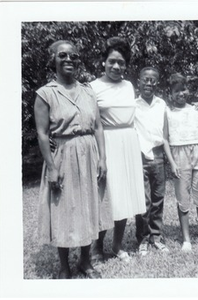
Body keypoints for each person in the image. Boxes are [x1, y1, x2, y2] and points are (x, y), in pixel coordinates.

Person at [34, 40, 112, 279]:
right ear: (53, 60)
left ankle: (85, 261)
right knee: (65, 209)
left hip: (89, 154)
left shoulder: (88, 90)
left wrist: (102, 159)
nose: (69, 59)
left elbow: (98, 126)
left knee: (89, 205)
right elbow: (42, 133)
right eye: (63, 55)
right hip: (64, 154)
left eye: (74, 56)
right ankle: (64, 265)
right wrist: (52, 167)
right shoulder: (46, 93)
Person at [89, 37, 146, 263]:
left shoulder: (129, 86)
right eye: (112, 61)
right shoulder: (93, 87)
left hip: (128, 142)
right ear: (103, 61)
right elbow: (95, 123)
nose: (116, 67)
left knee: (126, 196)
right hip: (106, 143)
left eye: (121, 63)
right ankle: (97, 247)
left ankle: (117, 244)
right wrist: (100, 156)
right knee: (106, 197)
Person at [165, 73, 198, 252]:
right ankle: (186, 240)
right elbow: (165, 139)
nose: (181, 93)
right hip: (179, 155)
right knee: (183, 198)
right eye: (177, 91)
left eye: (184, 89)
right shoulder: (168, 112)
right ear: (171, 94)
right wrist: (171, 162)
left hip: (197, 154)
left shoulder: (196, 110)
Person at [134, 67, 176, 255]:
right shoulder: (132, 105)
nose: (149, 83)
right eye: (145, 79)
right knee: (143, 200)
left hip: (158, 156)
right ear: (139, 82)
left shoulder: (162, 105)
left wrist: (196, 107)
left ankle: (156, 236)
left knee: (158, 198)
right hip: (139, 156)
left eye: (153, 80)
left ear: (157, 83)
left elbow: (174, 121)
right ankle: (142, 238)